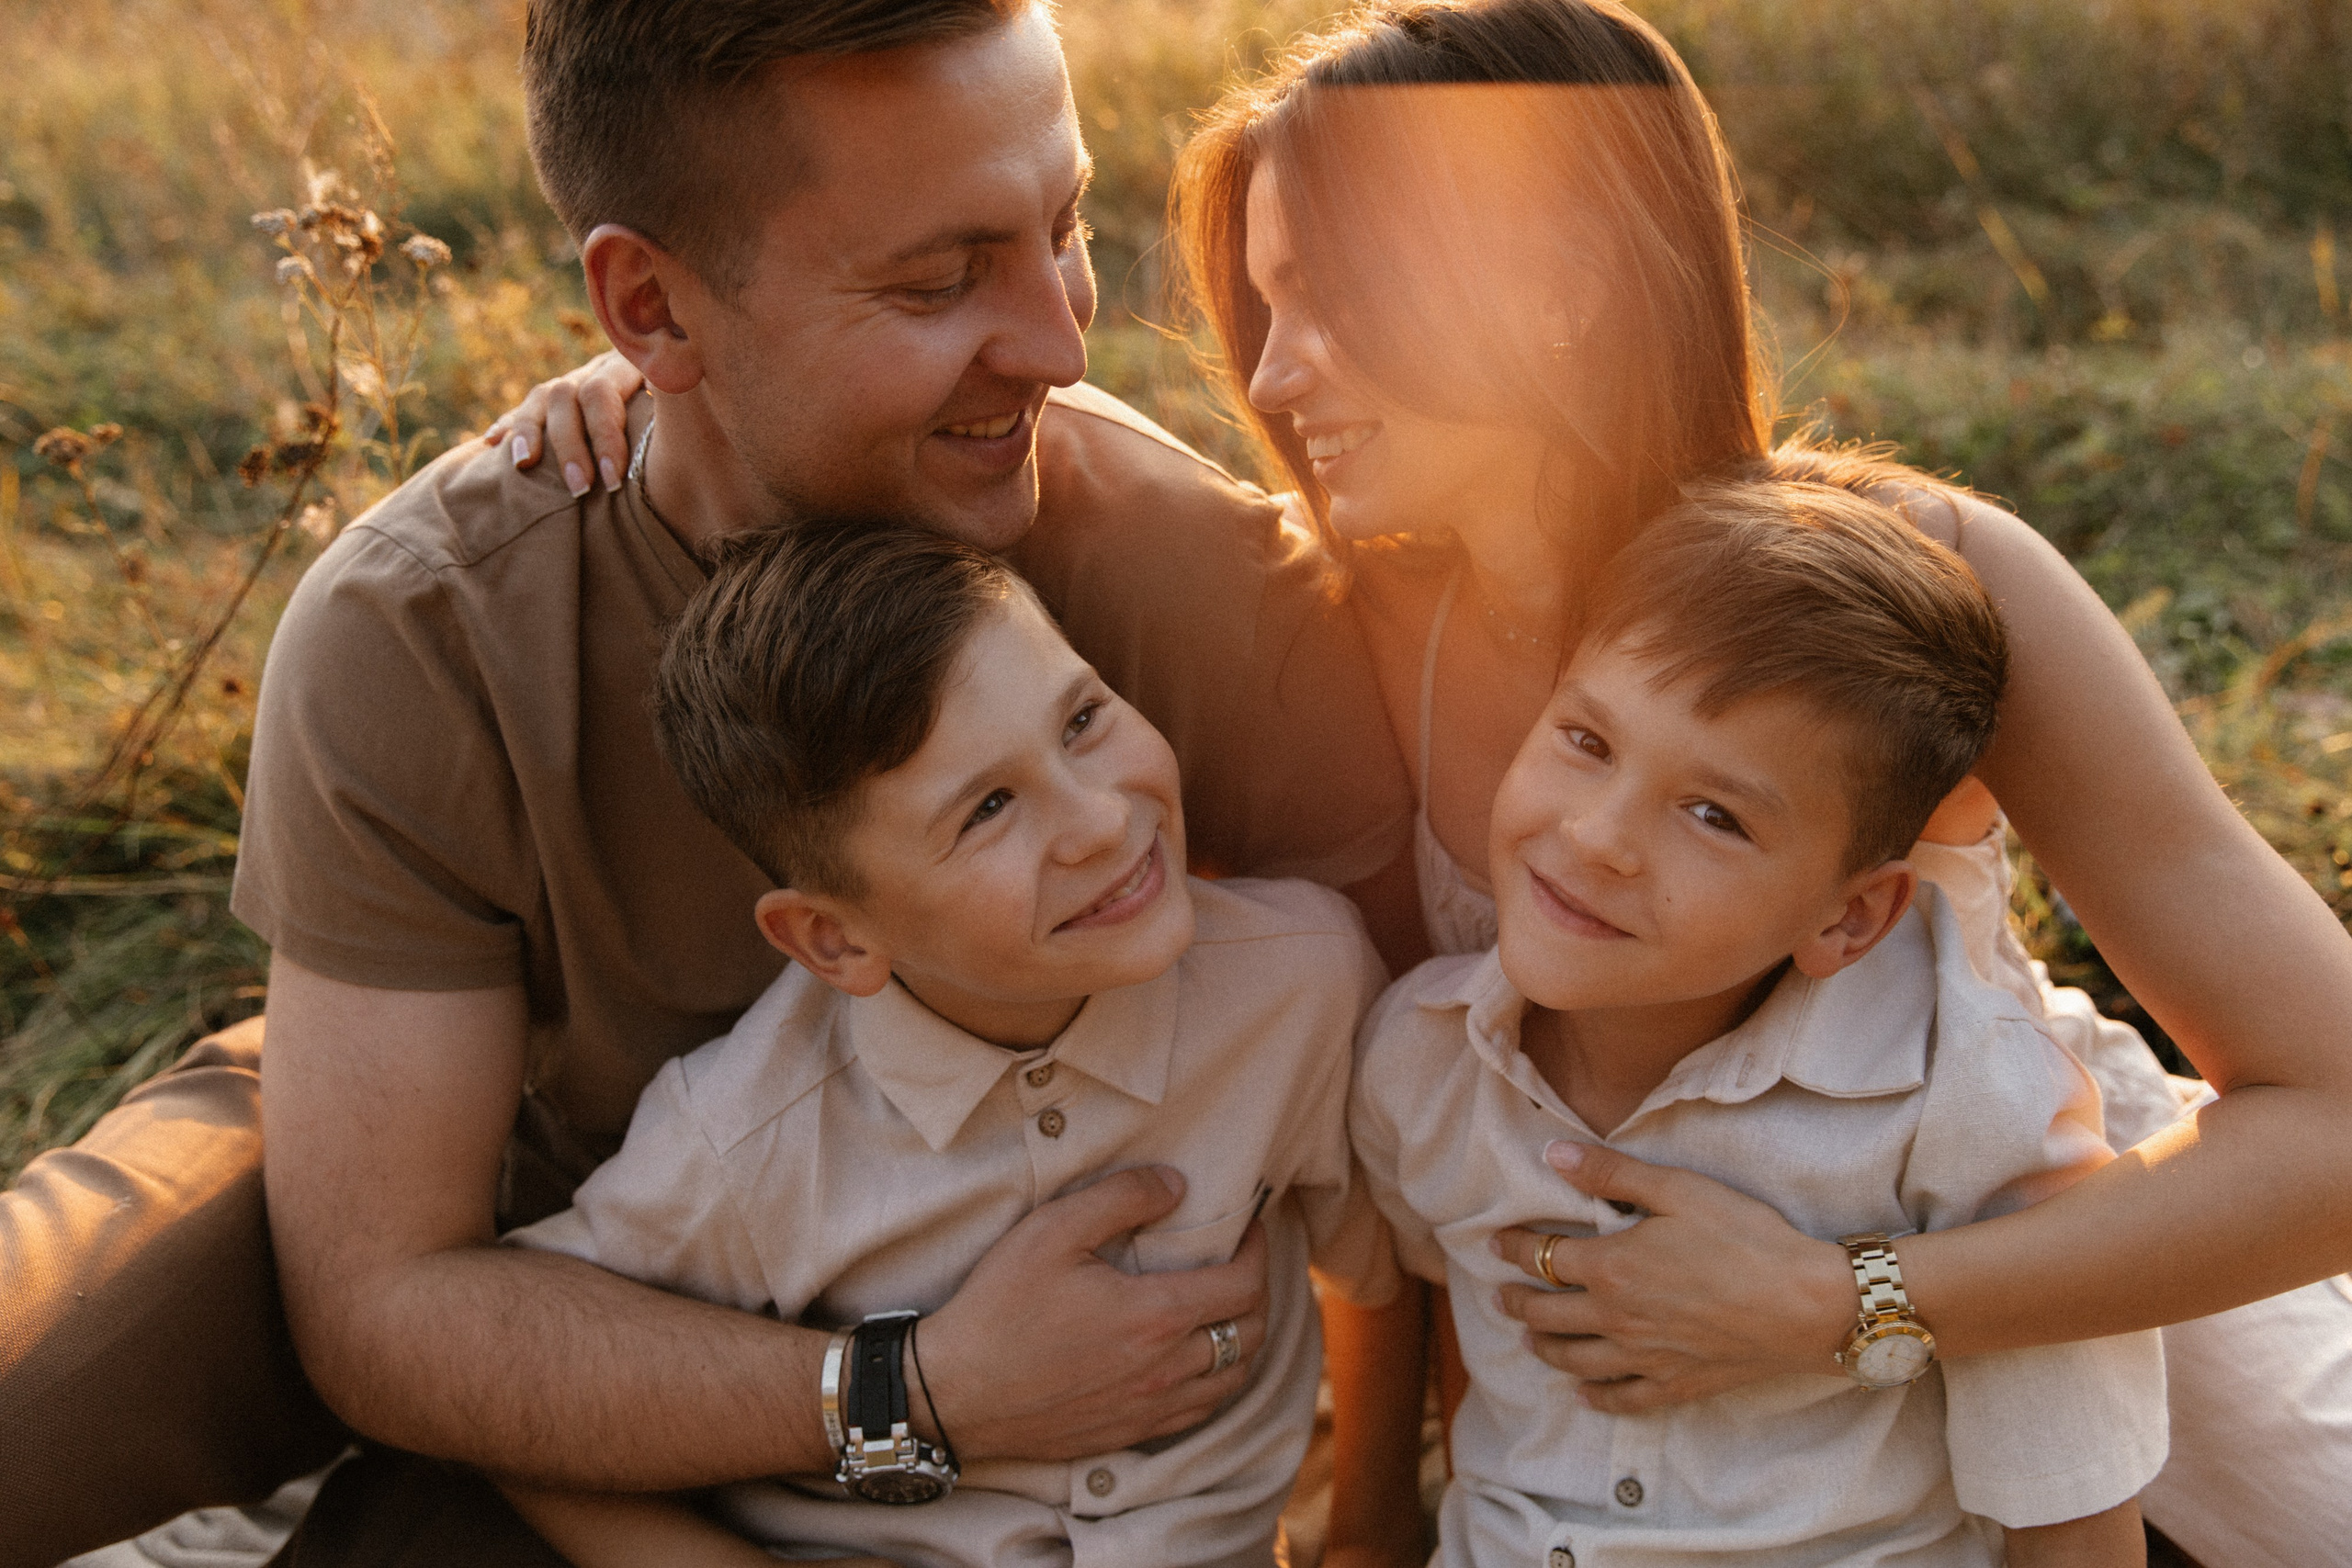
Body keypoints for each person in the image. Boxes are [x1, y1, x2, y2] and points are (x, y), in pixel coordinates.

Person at [505, 0, 2352, 1558]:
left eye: (1329, 302)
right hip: (1668, 1458)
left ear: (1541, 287)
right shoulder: (1362, 613)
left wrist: (1844, 1302)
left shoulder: (1905, 578)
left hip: (2093, 1295)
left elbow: (2331, 1122)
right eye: (1262, 303)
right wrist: (619, 392)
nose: (1276, 371)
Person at [0, 5, 1421, 1565]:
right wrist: (912, 1387)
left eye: (1064, 226)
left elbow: (1426, 1104)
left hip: (756, 1348)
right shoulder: (428, 628)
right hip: (469, 1162)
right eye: (941, 279)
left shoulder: (1181, 569)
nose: (1062, 343)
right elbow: (392, 1295)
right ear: (648, 309)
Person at [494, 519, 1396, 1568]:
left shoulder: (1301, 984)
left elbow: (1385, 1265)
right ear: (834, 937)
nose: (1100, 820)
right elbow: (523, 1407)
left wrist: (1374, 1537)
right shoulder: (745, 1137)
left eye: (1084, 718)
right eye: (988, 809)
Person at [1353, 478, 2164, 1567]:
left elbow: (2071, 1517)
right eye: (1587, 740)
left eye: (1712, 815)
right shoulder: (1420, 1060)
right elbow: (1470, 1353)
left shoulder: (1969, 1111)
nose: (1597, 837)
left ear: (1847, 915)